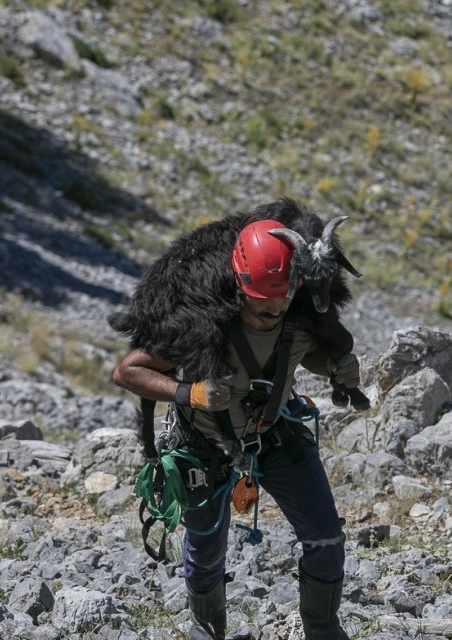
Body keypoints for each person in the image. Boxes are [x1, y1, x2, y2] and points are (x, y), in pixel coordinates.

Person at [111, 203, 359, 640]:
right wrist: (188, 392)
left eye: (285, 298)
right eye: (266, 303)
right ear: (241, 288)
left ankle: (323, 630)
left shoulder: (298, 317)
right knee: (206, 549)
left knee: (325, 536)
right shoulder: (201, 328)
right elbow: (127, 371)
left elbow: (314, 356)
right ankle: (207, 628)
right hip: (204, 444)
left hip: (271, 434)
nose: (277, 308)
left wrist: (340, 368)